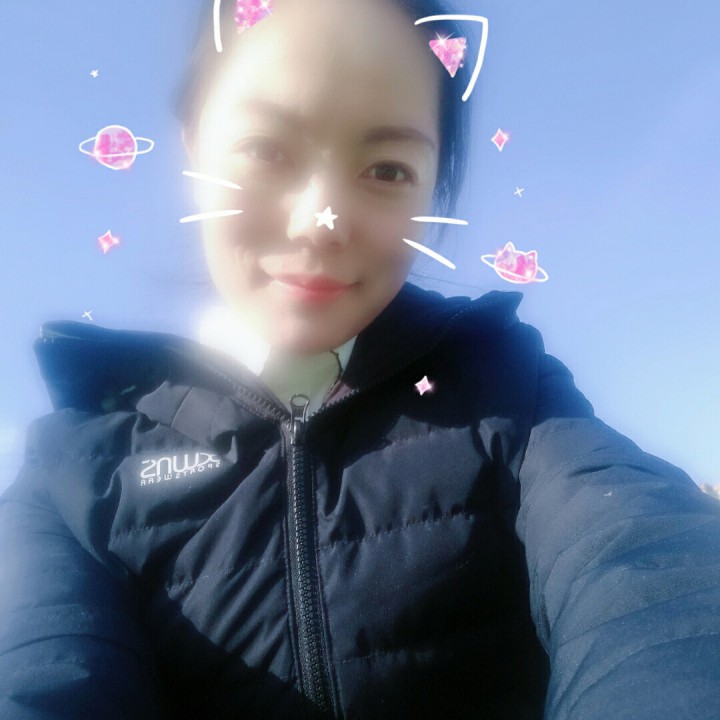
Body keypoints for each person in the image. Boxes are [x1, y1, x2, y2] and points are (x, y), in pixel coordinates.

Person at [1, 0, 719, 718]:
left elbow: (648, 567)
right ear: (193, 148)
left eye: (386, 168)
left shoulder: (511, 393)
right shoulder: (78, 463)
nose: (320, 224)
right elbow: (40, 671)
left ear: (434, 186)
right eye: (266, 149)